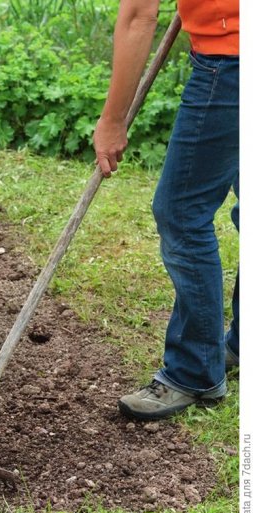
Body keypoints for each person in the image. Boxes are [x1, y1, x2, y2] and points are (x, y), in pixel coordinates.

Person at [93, 0, 239, 420]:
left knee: (182, 212)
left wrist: (112, 119)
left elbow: (139, 13)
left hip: (232, 63)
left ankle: (194, 372)